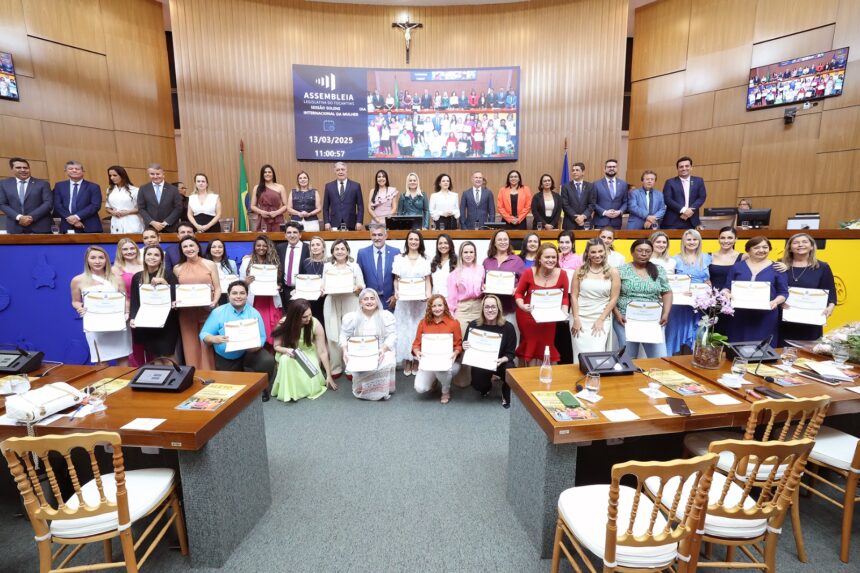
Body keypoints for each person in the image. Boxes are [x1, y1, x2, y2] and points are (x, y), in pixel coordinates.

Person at [200, 280, 275, 402]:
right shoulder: (218, 312)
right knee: (230, 394)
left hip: (249, 353)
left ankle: (262, 388)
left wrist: (256, 347)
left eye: (242, 293)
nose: (238, 296)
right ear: (228, 295)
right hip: (226, 356)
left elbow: (262, 337)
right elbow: (204, 334)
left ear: (247, 295)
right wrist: (214, 339)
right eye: (234, 293)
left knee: (267, 360)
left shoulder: (254, 313)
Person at [70, 246, 132, 366]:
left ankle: (125, 384)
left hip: (118, 323)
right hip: (94, 324)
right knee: (101, 361)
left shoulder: (117, 279)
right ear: (87, 260)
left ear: (106, 260)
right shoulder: (77, 280)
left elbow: (125, 300)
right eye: (93, 258)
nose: (97, 261)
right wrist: (80, 307)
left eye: (101, 258)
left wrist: (127, 312)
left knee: (123, 359)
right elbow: (75, 301)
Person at [722, 236, 788, 348]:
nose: (761, 250)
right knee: (737, 348)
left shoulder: (777, 268)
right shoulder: (737, 267)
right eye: (756, 247)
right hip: (739, 315)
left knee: (762, 350)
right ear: (748, 250)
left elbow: (783, 292)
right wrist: (726, 294)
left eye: (765, 247)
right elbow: (726, 287)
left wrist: (776, 302)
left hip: (765, 316)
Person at [613, 239, 673, 359]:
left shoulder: (659, 270)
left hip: (653, 320)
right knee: (628, 359)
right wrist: (617, 314)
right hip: (626, 319)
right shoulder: (620, 270)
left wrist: (666, 313)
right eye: (640, 250)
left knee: (659, 358)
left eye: (647, 251)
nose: (644, 254)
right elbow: (612, 295)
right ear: (632, 252)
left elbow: (667, 292)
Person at [514, 243, 570, 366]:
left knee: (546, 344)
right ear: (539, 258)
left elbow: (565, 298)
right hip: (528, 316)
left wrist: (564, 310)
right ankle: (528, 376)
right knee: (531, 343)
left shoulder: (563, 275)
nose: (551, 260)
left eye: (553, 257)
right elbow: (518, 293)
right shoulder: (529, 273)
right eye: (547, 257)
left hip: (549, 318)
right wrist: (522, 305)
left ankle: (545, 374)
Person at [271, 299, 336, 402]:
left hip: (308, 352)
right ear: (294, 317)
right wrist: (286, 350)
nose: (309, 319)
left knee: (309, 374)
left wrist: (329, 375)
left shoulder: (315, 323)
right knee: (284, 360)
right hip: (290, 352)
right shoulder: (283, 323)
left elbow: (322, 351)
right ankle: (289, 393)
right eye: (305, 317)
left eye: (310, 315)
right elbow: (276, 346)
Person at [779, 232, 836, 344]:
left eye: (805, 242)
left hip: (811, 319)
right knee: (782, 353)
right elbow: (774, 289)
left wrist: (831, 306)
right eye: (796, 243)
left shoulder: (822, 267)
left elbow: (830, 291)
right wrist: (778, 302)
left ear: (811, 246)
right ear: (790, 248)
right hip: (784, 316)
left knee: (808, 355)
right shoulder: (780, 265)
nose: (800, 245)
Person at [340, 288, 397, 401]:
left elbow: (392, 335)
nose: (369, 301)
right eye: (365, 299)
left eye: (372, 298)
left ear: (377, 301)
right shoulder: (351, 317)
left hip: (380, 351)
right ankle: (365, 388)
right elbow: (344, 335)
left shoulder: (386, 316)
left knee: (388, 357)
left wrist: (384, 349)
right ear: (360, 302)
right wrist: (345, 351)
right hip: (360, 352)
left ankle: (381, 389)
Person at [173, 236, 220, 370]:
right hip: (186, 314)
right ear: (181, 250)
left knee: (207, 346)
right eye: (185, 247)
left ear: (198, 247)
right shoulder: (177, 268)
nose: (189, 249)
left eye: (191, 245)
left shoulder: (209, 264)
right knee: (190, 347)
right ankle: (194, 376)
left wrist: (214, 302)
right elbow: (176, 291)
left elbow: (217, 288)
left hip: (208, 311)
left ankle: (210, 377)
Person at [464, 295, 518, 408]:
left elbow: (511, 353)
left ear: (499, 308)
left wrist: (503, 359)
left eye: (493, 307)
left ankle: (505, 392)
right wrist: (465, 345)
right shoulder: (474, 325)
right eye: (487, 307)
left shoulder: (508, 327)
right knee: (478, 386)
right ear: (482, 309)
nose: (490, 310)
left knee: (510, 370)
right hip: (482, 363)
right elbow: (466, 343)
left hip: (501, 363)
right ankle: (486, 387)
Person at [129, 245, 179, 364]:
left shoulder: (169, 275)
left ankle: (177, 381)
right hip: (147, 322)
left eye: (156, 255)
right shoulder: (137, 277)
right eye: (149, 254)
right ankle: (161, 381)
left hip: (167, 323)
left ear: (161, 259)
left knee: (168, 355)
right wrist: (133, 317)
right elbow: (135, 300)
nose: (152, 257)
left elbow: (176, 299)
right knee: (155, 356)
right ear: (144, 257)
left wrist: (164, 283)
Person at [322, 239, 364, 378]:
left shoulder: (354, 266)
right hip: (331, 301)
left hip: (350, 300)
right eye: (337, 249)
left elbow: (361, 285)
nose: (340, 251)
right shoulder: (327, 267)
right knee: (332, 333)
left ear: (347, 251)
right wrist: (320, 289)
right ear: (333, 252)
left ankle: (351, 367)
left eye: (342, 249)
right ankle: (335, 367)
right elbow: (323, 285)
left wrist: (357, 288)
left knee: (351, 333)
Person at [571, 239, 620, 357]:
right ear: (587, 253)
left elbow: (614, 298)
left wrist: (601, 319)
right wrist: (576, 319)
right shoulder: (580, 270)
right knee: (580, 355)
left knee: (597, 354)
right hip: (580, 318)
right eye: (593, 252)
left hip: (601, 317)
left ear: (605, 252)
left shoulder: (613, 272)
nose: (597, 255)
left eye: (600, 251)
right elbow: (574, 295)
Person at [392, 230, 432, 375]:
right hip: (404, 302)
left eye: (416, 239)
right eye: (411, 239)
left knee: (417, 329)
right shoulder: (399, 258)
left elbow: (427, 280)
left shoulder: (425, 259)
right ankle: (407, 361)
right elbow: (396, 280)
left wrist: (428, 295)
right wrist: (396, 291)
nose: (414, 242)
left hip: (420, 303)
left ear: (420, 242)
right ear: (407, 241)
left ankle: (416, 360)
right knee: (404, 329)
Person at [665, 230, 711, 355]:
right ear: (683, 242)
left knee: (697, 334)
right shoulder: (675, 259)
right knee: (674, 333)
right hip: (679, 304)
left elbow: (710, 279)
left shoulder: (707, 258)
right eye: (688, 239)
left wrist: (709, 284)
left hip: (698, 304)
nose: (692, 242)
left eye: (695, 239)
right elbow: (670, 282)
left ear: (699, 241)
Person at [411, 295, 462, 404]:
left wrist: (456, 352)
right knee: (420, 388)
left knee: (441, 370)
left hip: (448, 362)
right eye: (434, 306)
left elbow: (458, 345)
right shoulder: (423, 323)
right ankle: (434, 380)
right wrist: (417, 351)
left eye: (440, 305)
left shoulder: (454, 323)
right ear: (430, 308)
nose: (437, 308)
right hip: (428, 362)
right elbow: (416, 344)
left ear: (445, 306)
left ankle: (445, 390)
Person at [240, 235, 283, 345]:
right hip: (255, 301)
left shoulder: (274, 261)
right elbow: (240, 283)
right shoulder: (246, 261)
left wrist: (279, 286)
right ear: (254, 247)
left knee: (273, 329)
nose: (261, 248)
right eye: (258, 245)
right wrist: (246, 282)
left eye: (264, 246)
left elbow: (279, 282)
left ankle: (273, 356)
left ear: (268, 247)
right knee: (256, 327)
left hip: (270, 300)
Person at [483, 229, 526, 326]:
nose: (503, 242)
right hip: (491, 310)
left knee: (511, 339)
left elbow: (524, 281)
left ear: (509, 242)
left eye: (505, 239)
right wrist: (483, 285)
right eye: (500, 240)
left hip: (510, 309)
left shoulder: (517, 260)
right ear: (494, 242)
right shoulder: (487, 261)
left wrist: (517, 288)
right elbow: (482, 280)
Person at [112, 238, 144, 365]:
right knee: (133, 344)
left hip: (149, 309)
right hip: (129, 311)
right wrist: (128, 312)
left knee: (149, 343)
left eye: (132, 248)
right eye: (125, 249)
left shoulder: (145, 264)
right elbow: (119, 293)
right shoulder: (116, 270)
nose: (129, 251)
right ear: (120, 252)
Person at [0, 158, 52, 234]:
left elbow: (48, 203)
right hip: (15, 227)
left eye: (25, 168)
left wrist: (30, 217)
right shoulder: (3, 184)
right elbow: (2, 204)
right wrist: (19, 217)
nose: (23, 170)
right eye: (18, 168)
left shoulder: (42, 184)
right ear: (12, 169)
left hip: (40, 227)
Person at [51, 161, 103, 233]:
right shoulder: (59, 186)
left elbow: (95, 205)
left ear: (83, 171)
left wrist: (77, 217)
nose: (74, 170)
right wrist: (71, 219)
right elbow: (57, 205)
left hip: (88, 226)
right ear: (65, 171)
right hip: (66, 225)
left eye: (77, 169)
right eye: (71, 169)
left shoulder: (93, 187)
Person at [356, 223, 399, 311]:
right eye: (374, 235)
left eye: (380, 235)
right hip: (369, 302)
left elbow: (399, 277)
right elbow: (359, 277)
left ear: (386, 235)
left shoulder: (396, 252)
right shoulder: (362, 253)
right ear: (370, 236)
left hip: (390, 301)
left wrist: (395, 295)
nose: (377, 238)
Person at [662, 156, 707, 230]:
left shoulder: (699, 181)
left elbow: (702, 197)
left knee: (690, 241)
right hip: (673, 221)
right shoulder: (670, 182)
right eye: (681, 167)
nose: (684, 168)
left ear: (691, 167)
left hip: (691, 220)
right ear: (677, 169)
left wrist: (690, 210)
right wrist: (684, 210)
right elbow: (667, 199)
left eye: (687, 166)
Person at [137, 163, 183, 233]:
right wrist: (152, 222)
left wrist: (166, 222)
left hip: (170, 228)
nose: (155, 176)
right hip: (151, 228)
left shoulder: (173, 189)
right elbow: (141, 208)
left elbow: (178, 208)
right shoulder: (143, 189)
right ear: (148, 174)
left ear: (163, 174)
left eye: (158, 174)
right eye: (152, 174)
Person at [275, 221, 310, 309]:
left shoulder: (308, 248)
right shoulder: (280, 248)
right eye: (289, 233)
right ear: (285, 235)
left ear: (300, 235)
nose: (292, 235)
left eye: (295, 232)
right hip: (285, 290)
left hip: (302, 289)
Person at [323, 162, 364, 231]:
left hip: (351, 223)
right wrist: (326, 222)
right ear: (335, 172)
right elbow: (325, 207)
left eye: (342, 169)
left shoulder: (356, 186)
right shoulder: (329, 186)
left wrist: (359, 221)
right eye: (338, 170)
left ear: (346, 170)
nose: (340, 172)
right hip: (334, 223)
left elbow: (360, 206)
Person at [296, 236, 327, 328]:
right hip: (309, 300)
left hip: (324, 299)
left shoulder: (329, 263)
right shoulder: (305, 262)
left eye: (318, 244)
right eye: (312, 245)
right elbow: (300, 279)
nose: (315, 247)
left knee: (323, 323)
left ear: (323, 247)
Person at [250, 164, 288, 232]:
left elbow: (286, 206)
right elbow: (252, 206)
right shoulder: (257, 187)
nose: (267, 174)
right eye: (265, 172)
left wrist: (276, 212)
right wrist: (261, 212)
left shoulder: (280, 187)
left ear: (273, 174)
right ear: (262, 174)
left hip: (277, 218)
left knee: (278, 240)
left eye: (269, 172)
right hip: (263, 219)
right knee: (263, 241)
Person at [105, 165, 143, 233]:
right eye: (110, 175)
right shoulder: (109, 190)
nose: (112, 178)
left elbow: (141, 208)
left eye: (115, 175)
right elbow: (107, 208)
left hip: (132, 221)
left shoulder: (135, 190)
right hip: (116, 221)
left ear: (122, 175)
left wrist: (127, 212)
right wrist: (113, 212)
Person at [592, 159, 628, 229]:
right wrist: (604, 212)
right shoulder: (596, 184)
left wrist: (620, 211)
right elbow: (592, 202)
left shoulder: (623, 184)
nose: (612, 168)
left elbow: (626, 202)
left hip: (616, 222)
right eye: (609, 167)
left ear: (617, 169)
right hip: (600, 222)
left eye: (614, 167)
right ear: (604, 169)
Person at [560, 162, 595, 230]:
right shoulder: (565, 187)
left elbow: (592, 204)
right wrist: (576, 217)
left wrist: (583, 216)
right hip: (570, 222)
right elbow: (565, 205)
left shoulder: (590, 186)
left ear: (583, 172)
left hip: (586, 222)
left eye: (577, 170)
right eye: (573, 170)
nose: (574, 172)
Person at [205, 239, 238, 306]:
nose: (217, 249)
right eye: (213, 247)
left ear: (224, 249)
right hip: (211, 296)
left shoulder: (232, 263)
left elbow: (235, 281)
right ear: (209, 249)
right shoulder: (205, 264)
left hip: (227, 297)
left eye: (220, 247)